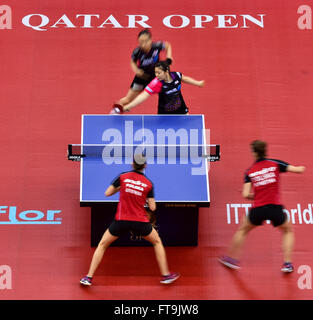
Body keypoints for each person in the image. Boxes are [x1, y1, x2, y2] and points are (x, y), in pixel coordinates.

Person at [80, 154, 180, 286]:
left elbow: (107, 193)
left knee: (102, 245)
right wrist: (142, 196)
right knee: (157, 242)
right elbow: (153, 207)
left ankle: (88, 277)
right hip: (140, 222)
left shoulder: (122, 177)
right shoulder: (148, 184)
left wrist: (123, 187)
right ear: (145, 166)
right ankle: (166, 275)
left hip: (121, 221)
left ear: (132, 164)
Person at [219, 140, 305, 273]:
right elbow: (297, 170)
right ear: (265, 151)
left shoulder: (249, 171)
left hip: (258, 209)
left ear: (254, 153)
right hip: (275, 208)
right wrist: (302, 168)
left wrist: (257, 195)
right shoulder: (276, 164)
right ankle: (287, 264)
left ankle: (231, 259)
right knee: (287, 231)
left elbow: (246, 194)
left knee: (242, 230)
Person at [114, 29, 173, 108]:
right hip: (142, 78)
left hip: (156, 76)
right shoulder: (137, 51)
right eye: (141, 42)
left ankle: (173, 113)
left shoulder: (156, 46)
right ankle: (115, 110)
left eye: (145, 41)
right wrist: (137, 70)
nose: (143, 44)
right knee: (128, 99)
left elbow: (167, 45)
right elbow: (133, 62)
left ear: (150, 40)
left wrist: (168, 57)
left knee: (168, 94)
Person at [120, 60, 204, 114]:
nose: (156, 75)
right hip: (165, 114)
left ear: (166, 71)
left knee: (187, 132)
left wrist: (198, 83)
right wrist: (127, 107)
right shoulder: (156, 83)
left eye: (159, 73)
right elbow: (143, 96)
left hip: (181, 109)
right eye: (155, 73)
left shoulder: (176, 75)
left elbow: (185, 79)